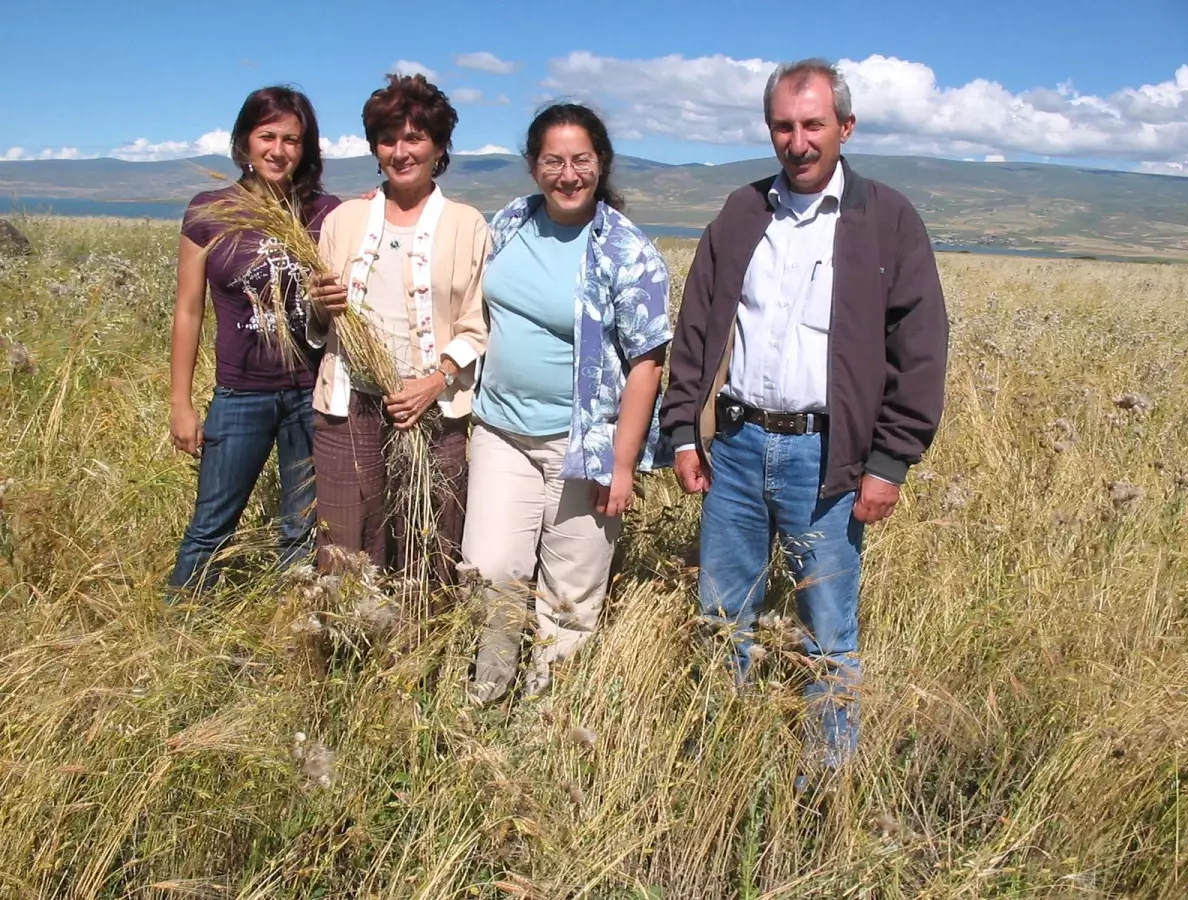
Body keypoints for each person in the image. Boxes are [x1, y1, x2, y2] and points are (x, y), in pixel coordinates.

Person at [660, 59, 949, 782]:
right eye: (784, 126)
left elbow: (920, 348)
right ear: (770, 130)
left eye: (813, 124)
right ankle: (720, 760)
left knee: (827, 631)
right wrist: (682, 430)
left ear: (844, 128)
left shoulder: (887, 220)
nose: (798, 140)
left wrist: (889, 462)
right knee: (724, 617)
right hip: (734, 446)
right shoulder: (740, 212)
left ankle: (825, 780)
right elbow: (696, 327)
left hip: (828, 460)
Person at [463, 103, 672, 701]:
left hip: (584, 445)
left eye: (581, 160)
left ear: (600, 164)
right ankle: (490, 693)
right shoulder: (506, 224)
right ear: (533, 166)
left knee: (571, 593)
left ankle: (548, 716)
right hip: (501, 431)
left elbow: (646, 365)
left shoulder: (626, 252)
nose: (568, 174)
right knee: (491, 568)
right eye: (553, 161)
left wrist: (623, 464)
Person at [306, 74, 488, 586]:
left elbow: (478, 324)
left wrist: (435, 382)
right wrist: (319, 306)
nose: (401, 151)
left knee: (427, 543)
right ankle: (346, 650)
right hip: (348, 409)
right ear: (374, 147)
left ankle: (418, 653)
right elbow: (316, 322)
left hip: (431, 411)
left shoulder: (467, 224)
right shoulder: (345, 218)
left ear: (439, 146)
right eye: (388, 139)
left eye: (415, 138)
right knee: (344, 546)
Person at [168, 86, 340, 595]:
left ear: (306, 149)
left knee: (302, 529)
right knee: (210, 527)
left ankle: (293, 633)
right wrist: (180, 402)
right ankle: (182, 631)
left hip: (311, 395)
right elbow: (188, 309)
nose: (279, 149)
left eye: (292, 139)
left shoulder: (325, 212)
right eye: (267, 135)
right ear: (244, 141)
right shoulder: (209, 210)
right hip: (240, 394)